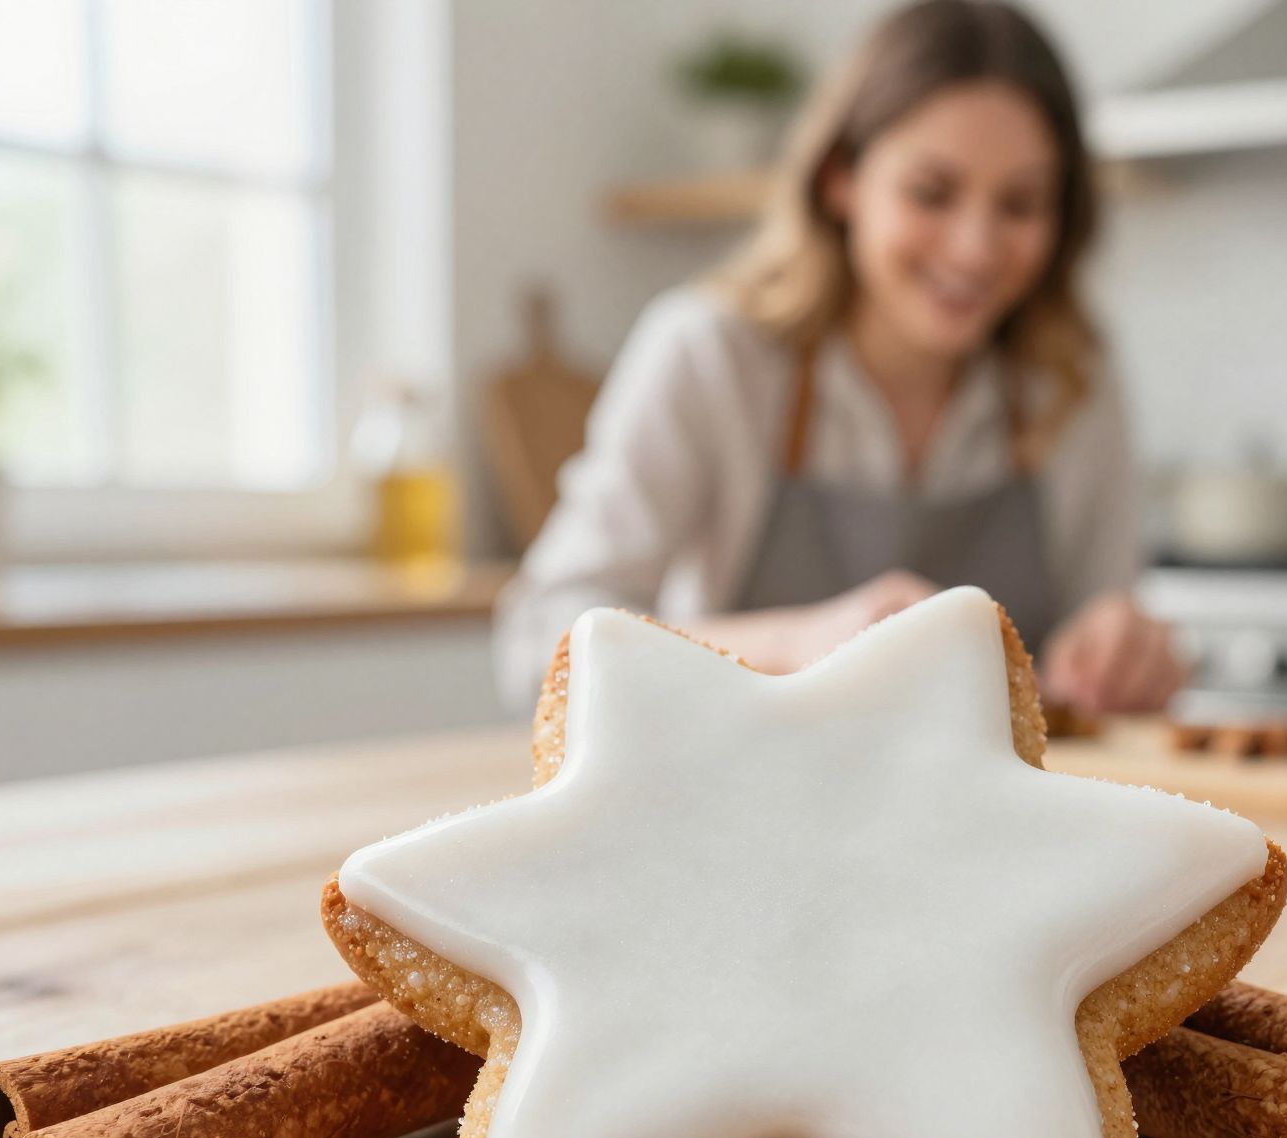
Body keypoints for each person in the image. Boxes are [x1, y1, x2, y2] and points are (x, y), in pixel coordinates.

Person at [495, 0, 1183, 716]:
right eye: (932, 193)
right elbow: (539, 644)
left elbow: (1101, 628)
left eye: (1019, 204)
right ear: (840, 178)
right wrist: (792, 647)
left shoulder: (1072, 382)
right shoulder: (711, 355)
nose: (975, 248)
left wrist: (1123, 653)